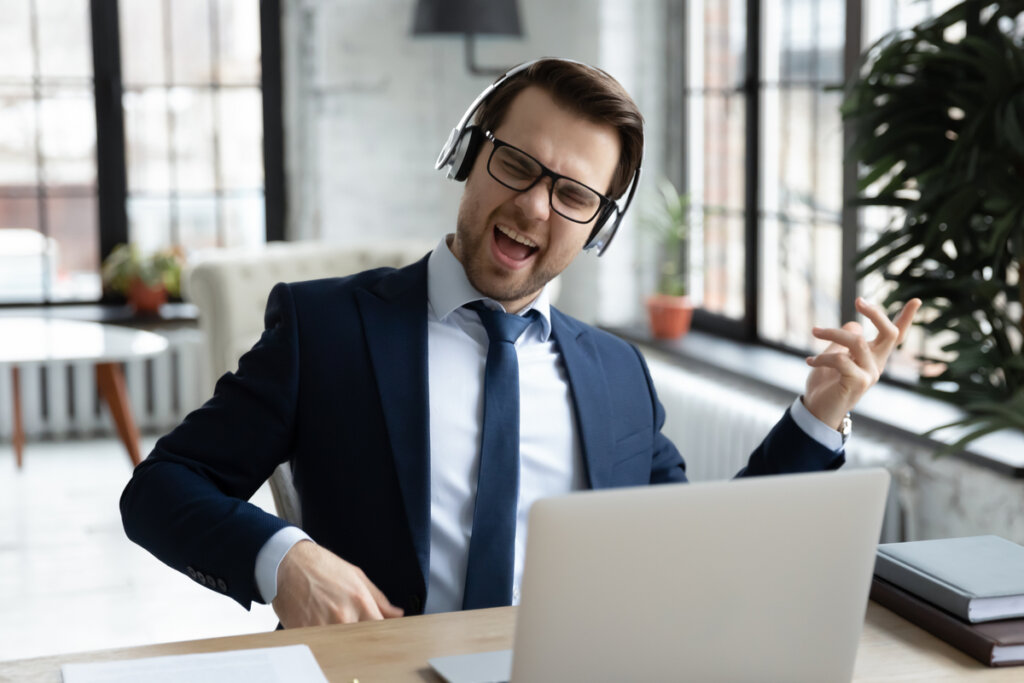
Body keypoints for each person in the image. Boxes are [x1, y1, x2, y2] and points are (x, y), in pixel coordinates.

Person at [120, 58, 920, 629]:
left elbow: (702, 550)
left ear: (596, 226)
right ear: (470, 156)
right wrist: (285, 558)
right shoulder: (325, 327)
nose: (536, 207)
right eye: (516, 165)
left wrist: (819, 415)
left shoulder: (618, 372)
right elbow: (161, 488)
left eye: (572, 194)